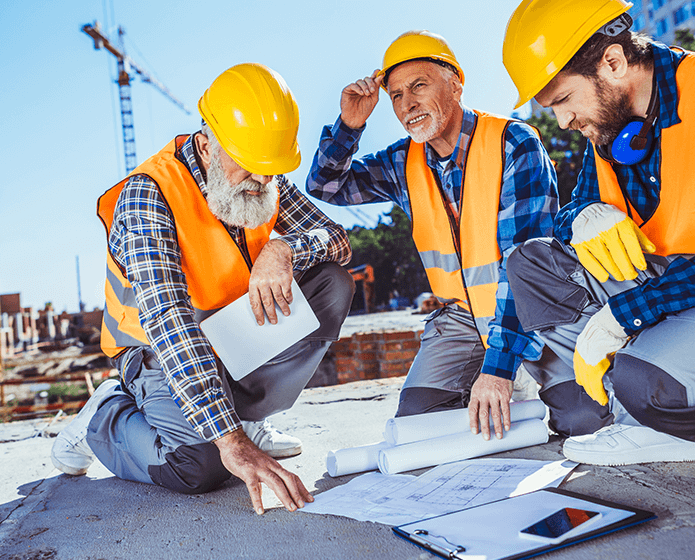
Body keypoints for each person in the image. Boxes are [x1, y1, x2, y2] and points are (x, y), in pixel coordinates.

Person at [502, 0, 695, 477]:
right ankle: (642, 420)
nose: (562, 121)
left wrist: (625, 313)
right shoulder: (612, 128)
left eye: (564, 100)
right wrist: (585, 214)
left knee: (651, 385)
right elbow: (573, 209)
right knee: (533, 264)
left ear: (613, 61)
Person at [51, 63, 355, 513]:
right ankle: (106, 415)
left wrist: (286, 248)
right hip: (154, 349)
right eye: (252, 168)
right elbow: (170, 323)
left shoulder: (262, 175)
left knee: (330, 284)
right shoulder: (148, 195)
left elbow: (338, 242)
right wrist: (228, 441)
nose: (263, 182)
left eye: (271, 171)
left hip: (224, 337)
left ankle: (247, 417)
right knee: (200, 468)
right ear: (209, 143)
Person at [306, 31, 607, 439]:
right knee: (419, 426)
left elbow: (523, 265)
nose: (407, 104)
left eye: (418, 86)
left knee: (584, 421)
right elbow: (324, 186)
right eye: (395, 95)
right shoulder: (401, 161)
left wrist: (498, 371)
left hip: (533, 309)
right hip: (462, 318)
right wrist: (349, 125)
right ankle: (499, 382)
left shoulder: (514, 144)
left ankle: (515, 377)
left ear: (456, 85)